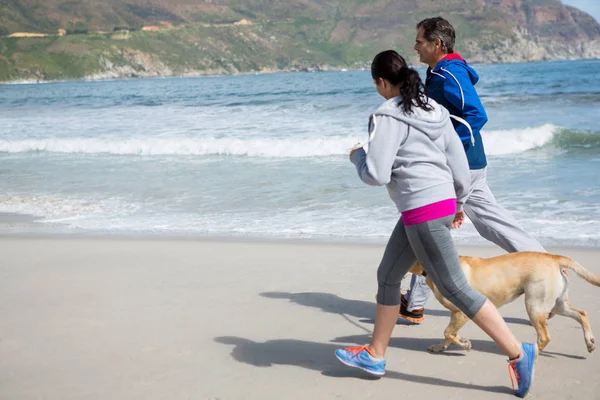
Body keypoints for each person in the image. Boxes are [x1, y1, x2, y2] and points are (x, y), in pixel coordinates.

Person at [334, 50, 537, 398]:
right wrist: (457, 203)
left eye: (377, 84)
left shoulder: (386, 115)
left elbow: (377, 174)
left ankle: (519, 352)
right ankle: (375, 355)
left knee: (456, 289)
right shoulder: (434, 109)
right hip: (437, 204)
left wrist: (358, 157)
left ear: (381, 82)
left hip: (422, 210)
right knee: (387, 276)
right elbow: (458, 161)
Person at [399, 17, 546, 323]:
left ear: (437, 45)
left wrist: (448, 147)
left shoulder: (450, 73)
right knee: (488, 223)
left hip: (460, 166)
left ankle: (414, 303)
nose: (415, 47)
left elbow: (476, 115)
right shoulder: (438, 71)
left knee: (427, 224)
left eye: (420, 41)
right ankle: (544, 269)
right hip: (467, 164)